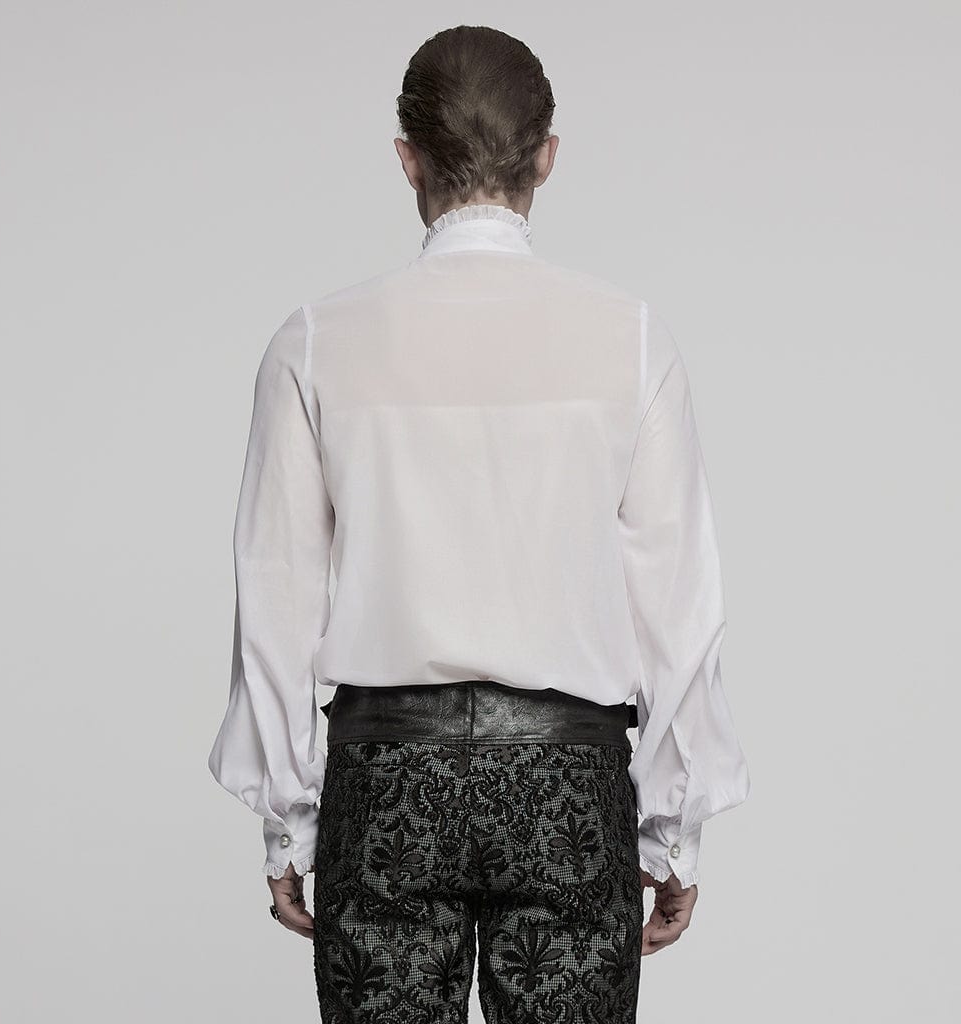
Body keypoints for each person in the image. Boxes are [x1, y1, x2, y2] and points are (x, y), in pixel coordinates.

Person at [207, 23, 750, 1023]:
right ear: (547, 156)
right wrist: (674, 834)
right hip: (566, 784)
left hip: (387, 784)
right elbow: (679, 601)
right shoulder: (630, 338)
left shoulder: (316, 341)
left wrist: (288, 822)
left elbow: (273, 595)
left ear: (407, 159)